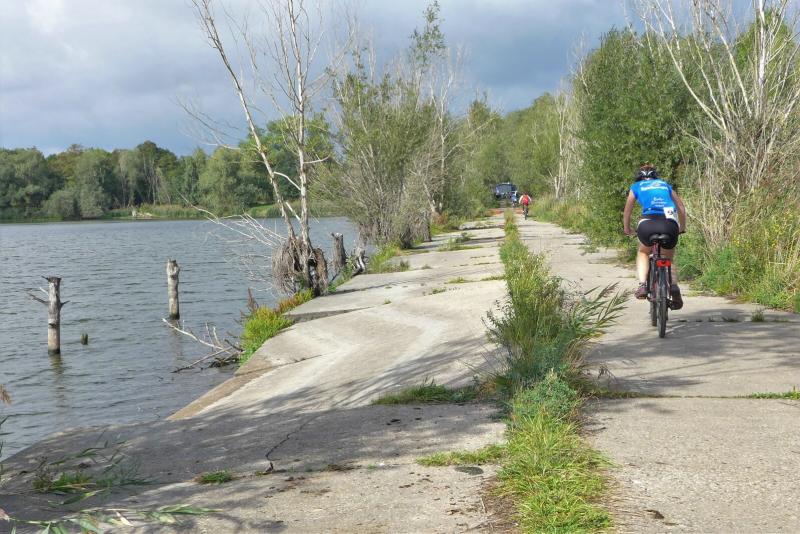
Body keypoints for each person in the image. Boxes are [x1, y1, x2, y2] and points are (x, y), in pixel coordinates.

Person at [623, 164, 687, 310]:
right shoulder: (665, 185)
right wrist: (682, 227)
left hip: (648, 224)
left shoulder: (636, 186)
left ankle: (642, 285)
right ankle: (674, 286)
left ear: (639, 177)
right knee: (668, 258)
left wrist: (627, 229)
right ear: (655, 176)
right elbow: (681, 207)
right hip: (669, 224)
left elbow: (627, 211)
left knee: (643, 252)